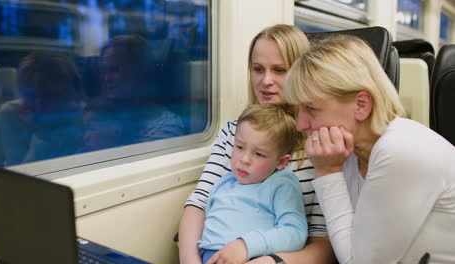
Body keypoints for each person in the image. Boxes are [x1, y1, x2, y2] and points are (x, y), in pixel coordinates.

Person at [284, 34, 455, 263]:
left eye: (312, 109)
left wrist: (327, 172)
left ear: (361, 105)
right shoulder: (353, 153)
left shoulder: (400, 151)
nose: (301, 124)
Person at [179, 24, 336, 264]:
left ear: (302, 73)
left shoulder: (322, 144)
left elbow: (323, 242)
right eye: (258, 69)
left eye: (280, 70)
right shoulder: (234, 132)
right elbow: (199, 203)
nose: (266, 81)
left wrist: (270, 261)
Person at [199, 104, 308, 264]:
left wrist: (246, 245)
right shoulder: (225, 181)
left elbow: (295, 232)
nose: (244, 159)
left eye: (259, 154)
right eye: (239, 147)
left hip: (251, 257)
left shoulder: (282, 184)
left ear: (281, 161)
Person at [87, 34, 186, 148]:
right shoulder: (104, 117)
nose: (106, 78)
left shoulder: (166, 127)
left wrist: (105, 145)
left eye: (114, 70)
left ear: (139, 72)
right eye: (103, 71)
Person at [0, 51, 84, 165]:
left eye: (50, 96)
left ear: (72, 94)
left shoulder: (83, 115)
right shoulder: (11, 114)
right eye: (30, 96)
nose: (39, 104)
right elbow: (21, 170)